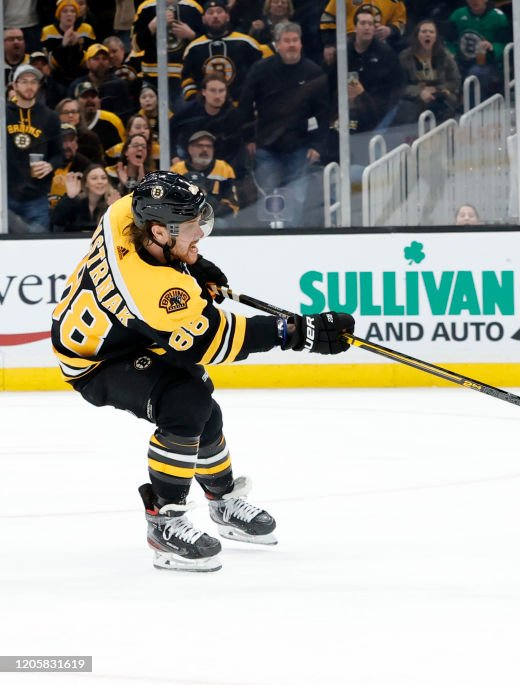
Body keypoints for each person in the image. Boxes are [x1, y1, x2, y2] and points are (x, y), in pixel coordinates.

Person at [50, 170, 356, 572]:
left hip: (128, 331)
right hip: (97, 360)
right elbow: (213, 341)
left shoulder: (124, 213)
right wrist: (296, 332)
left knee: (202, 405)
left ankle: (221, 500)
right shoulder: (153, 291)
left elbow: (172, 265)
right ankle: (164, 522)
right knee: (185, 402)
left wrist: (196, 264)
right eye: (192, 229)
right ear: (159, 232)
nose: (201, 233)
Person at [238, 22, 328, 223]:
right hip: (266, 147)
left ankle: (293, 239)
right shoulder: (261, 70)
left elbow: (322, 113)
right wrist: (248, 139)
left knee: (295, 199)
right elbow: (245, 106)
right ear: (277, 44)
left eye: (295, 40)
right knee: (269, 199)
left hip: (299, 146)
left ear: (301, 43)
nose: (292, 45)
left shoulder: (313, 72)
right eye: (287, 41)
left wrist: (317, 145)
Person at [5, 64, 62, 233]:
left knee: (36, 248)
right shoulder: (3, 113)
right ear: (14, 86)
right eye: (24, 81)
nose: (29, 86)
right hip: (6, 194)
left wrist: (50, 165)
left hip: (36, 197)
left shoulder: (50, 117)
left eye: (33, 81)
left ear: (38, 85)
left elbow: (59, 154)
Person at [180, 0, 273, 103]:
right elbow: (187, 76)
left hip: (241, 107)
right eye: (210, 12)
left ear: (228, 16)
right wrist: (194, 99)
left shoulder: (246, 43)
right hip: (206, 110)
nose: (215, 16)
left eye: (219, 12)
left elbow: (261, 72)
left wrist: (252, 98)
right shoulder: (194, 47)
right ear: (203, 19)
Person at [395, 19, 461, 126]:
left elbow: (455, 80)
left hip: (442, 98)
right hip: (414, 99)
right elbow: (400, 86)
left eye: (431, 32)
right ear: (417, 36)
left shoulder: (445, 56)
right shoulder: (405, 57)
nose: (428, 35)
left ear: (436, 37)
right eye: (424, 32)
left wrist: (438, 89)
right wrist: (419, 92)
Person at [346, 8, 402, 134]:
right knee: (334, 132)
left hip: (379, 111)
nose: (367, 27)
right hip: (349, 110)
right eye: (363, 23)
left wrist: (362, 95)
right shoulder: (345, 52)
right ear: (354, 27)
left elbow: (394, 89)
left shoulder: (386, 53)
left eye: (370, 24)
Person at [171, 130, 241, 223]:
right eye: (200, 146)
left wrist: (209, 212)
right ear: (190, 149)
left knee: (221, 224)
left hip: (215, 218)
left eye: (209, 146)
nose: (205, 149)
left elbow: (233, 205)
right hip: (184, 220)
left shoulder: (224, 168)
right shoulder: (177, 169)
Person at [446, 0, 510, 100]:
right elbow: (449, 41)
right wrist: (451, 53)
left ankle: (471, 109)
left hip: (489, 63)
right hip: (460, 61)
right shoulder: (457, 15)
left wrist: (492, 47)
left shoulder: (498, 17)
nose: (474, 1)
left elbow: (504, 43)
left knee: (476, 72)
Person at [51, 163, 121, 231]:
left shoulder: (112, 202)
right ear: (86, 183)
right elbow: (57, 221)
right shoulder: (75, 202)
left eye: (103, 178)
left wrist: (112, 209)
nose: (100, 181)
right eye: (94, 178)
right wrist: (70, 197)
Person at [49, 123, 93, 208]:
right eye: (63, 141)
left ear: (76, 144)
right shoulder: (45, 163)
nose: (68, 145)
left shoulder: (85, 165)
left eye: (72, 140)